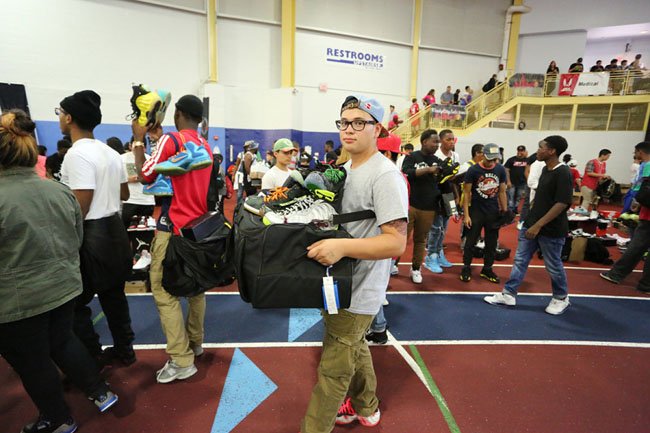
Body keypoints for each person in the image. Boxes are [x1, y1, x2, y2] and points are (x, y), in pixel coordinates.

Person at [0, 109, 119, 433]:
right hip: (64, 287)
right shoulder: (59, 190)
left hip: (19, 300)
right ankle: (99, 391)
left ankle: (57, 419)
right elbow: (75, 238)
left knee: (32, 360)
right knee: (63, 340)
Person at [301, 94, 408, 433]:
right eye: (344, 122)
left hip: (359, 289)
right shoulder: (344, 171)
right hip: (338, 282)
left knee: (333, 371)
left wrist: (341, 247)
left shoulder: (385, 176)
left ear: (377, 129)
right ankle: (367, 407)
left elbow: (396, 242)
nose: (349, 129)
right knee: (355, 345)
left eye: (359, 122)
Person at [132, 94, 213, 383]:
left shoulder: (172, 139)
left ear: (177, 113)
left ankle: (181, 359)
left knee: (162, 290)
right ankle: (195, 342)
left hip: (173, 227)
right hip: (197, 228)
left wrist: (139, 141)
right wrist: (159, 140)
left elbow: (145, 175)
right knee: (196, 288)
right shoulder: (203, 144)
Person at [57, 90, 135, 367]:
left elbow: (82, 204)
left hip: (91, 234)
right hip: (114, 230)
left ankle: (92, 356)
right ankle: (125, 350)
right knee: (114, 296)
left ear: (69, 118)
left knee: (75, 303)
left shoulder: (76, 154)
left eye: (60, 113)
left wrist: (65, 239)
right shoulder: (111, 153)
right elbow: (124, 194)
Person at [484, 135, 573, 315]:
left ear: (552, 151)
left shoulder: (563, 172)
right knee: (520, 260)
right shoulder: (546, 169)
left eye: (541, 147)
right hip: (531, 224)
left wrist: (538, 225)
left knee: (553, 264)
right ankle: (508, 294)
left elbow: (562, 203)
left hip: (550, 230)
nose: (537, 151)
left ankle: (561, 298)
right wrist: (530, 220)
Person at [600, 141, 650, 293]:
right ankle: (646, 285)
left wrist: (637, 201)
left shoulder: (647, 165)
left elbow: (643, 187)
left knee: (637, 246)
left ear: (640, 151)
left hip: (647, 213)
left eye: (635, 152)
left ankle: (616, 274)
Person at [460, 143, 507, 283]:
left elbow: (502, 191)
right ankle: (466, 267)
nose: (492, 162)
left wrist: (504, 211)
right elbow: (466, 193)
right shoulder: (473, 170)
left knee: (491, 243)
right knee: (470, 242)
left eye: (495, 159)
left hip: (492, 212)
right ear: (483, 155)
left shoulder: (500, 169)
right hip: (476, 211)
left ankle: (487, 269)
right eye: (490, 158)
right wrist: (466, 215)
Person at [401, 129, 443, 283]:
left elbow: (443, 181)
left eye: (438, 142)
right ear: (424, 141)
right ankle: (393, 264)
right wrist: (428, 170)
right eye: (434, 141)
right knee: (401, 238)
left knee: (420, 240)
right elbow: (406, 173)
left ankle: (416, 268)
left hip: (429, 207)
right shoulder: (412, 157)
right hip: (410, 204)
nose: (437, 145)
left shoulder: (438, 160)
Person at [424, 129, 459, 272]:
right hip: (436, 194)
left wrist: (456, 195)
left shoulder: (455, 155)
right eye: (448, 139)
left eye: (452, 139)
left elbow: (453, 178)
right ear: (441, 141)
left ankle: (439, 253)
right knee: (436, 228)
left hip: (448, 194)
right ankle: (430, 256)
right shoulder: (435, 155)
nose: (451, 142)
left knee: (444, 227)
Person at [121, 139, 156, 228]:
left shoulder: (150, 159)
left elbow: (155, 178)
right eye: (136, 146)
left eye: (142, 147)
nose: (138, 149)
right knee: (126, 230)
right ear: (130, 146)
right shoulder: (121, 158)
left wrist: (142, 178)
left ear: (145, 148)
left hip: (147, 200)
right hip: (129, 200)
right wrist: (128, 179)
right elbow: (115, 178)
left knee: (145, 231)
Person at [504, 145, 529, 214]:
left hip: (522, 183)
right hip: (512, 182)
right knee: (511, 197)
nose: (520, 152)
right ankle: (510, 211)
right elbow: (506, 170)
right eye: (519, 151)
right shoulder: (511, 159)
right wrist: (508, 181)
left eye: (522, 151)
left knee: (519, 197)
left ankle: (515, 208)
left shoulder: (527, 160)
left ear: (525, 151)